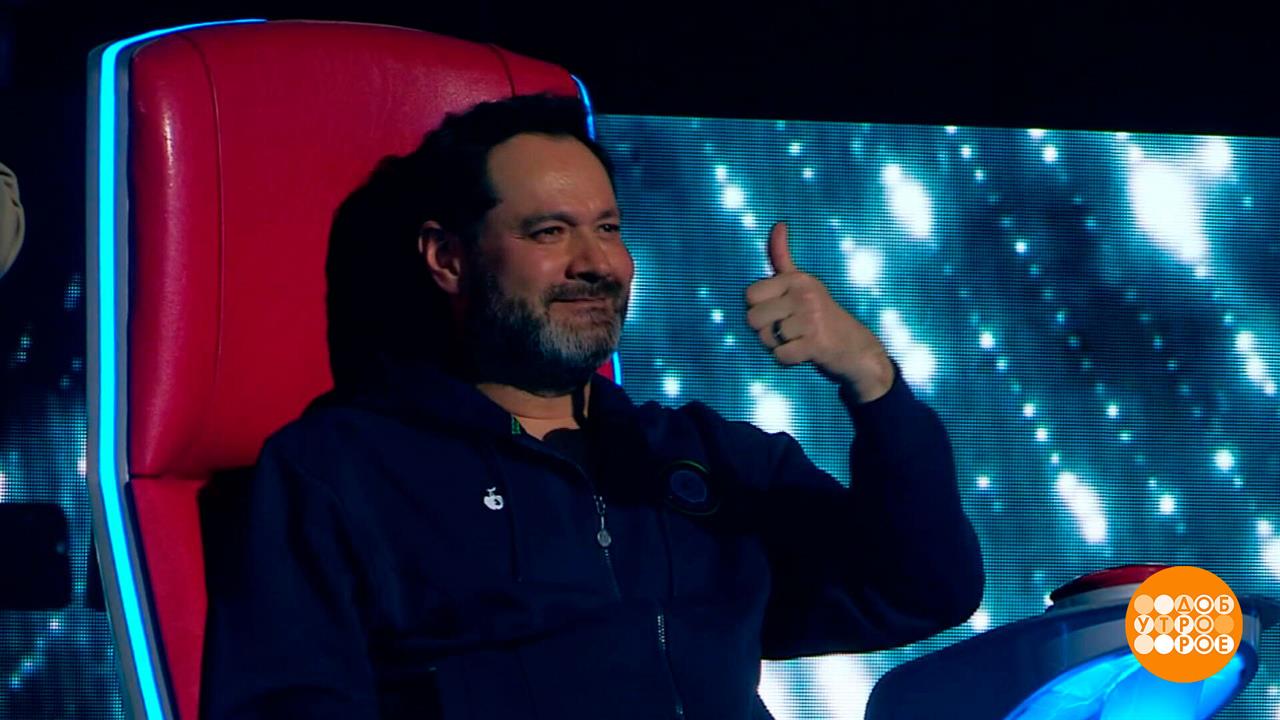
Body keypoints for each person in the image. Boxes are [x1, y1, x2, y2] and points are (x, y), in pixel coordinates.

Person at [200, 94, 984, 720]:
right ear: (448, 258)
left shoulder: (699, 458)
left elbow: (923, 589)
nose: (596, 263)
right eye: (550, 232)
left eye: (609, 228)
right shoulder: (340, 472)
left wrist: (871, 380)